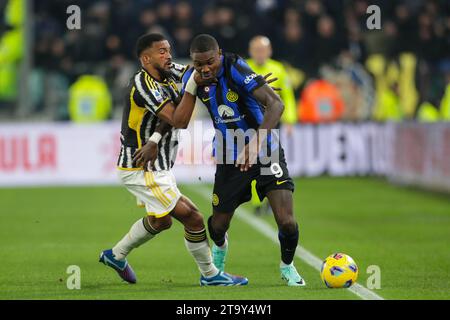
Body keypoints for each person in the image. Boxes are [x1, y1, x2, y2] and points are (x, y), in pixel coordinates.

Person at [99, 33, 248, 286]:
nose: (168, 55)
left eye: (168, 49)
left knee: (162, 220)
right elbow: (178, 119)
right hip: (142, 167)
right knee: (193, 217)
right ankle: (210, 275)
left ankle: (116, 255)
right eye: (161, 51)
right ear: (146, 58)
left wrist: (251, 87)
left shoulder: (170, 71)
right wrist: (191, 85)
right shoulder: (143, 84)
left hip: (158, 165)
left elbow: (200, 74)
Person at [163, 34, 306, 286]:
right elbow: (181, 121)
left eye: (210, 62)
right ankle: (219, 250)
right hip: (229, 156)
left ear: (219, 54)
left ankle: (287, 266)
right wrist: (191, 85)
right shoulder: (192, 77)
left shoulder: (235, 67)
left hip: (264, 151)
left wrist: (255, 143)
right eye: (199, 64)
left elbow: (276, 105)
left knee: (287, 221)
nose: (206, 68)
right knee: (217, 226)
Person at [246, 35, 297, 216]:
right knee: (252, 162)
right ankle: (257, 202)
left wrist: (290, 120)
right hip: (249, 123)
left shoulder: (279, 69)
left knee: (271, 162)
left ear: (269, 51)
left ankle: (268, 198)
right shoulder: (244, 67)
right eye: (256, 50)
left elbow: (288, 97)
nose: (260, 53)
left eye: (263, 50)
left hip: (273, 123)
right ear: (251, 51)